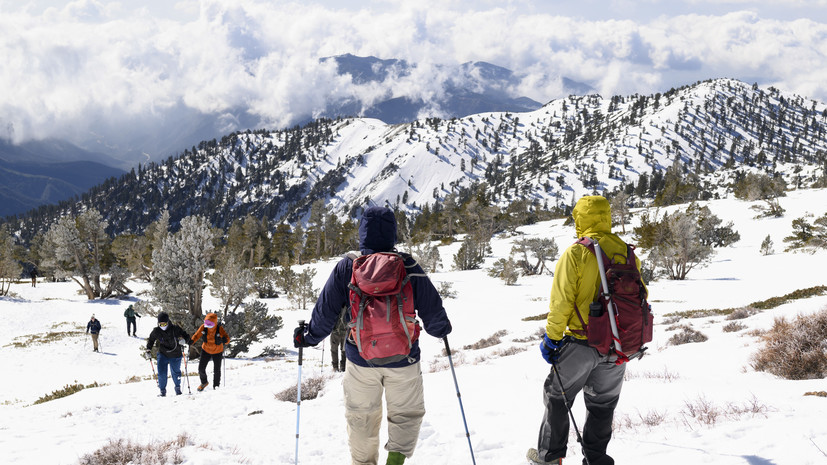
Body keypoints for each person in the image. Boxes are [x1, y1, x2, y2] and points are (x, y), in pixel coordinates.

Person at [293, 206, 452, 465]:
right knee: (406, 414)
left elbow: (326, 312)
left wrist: (308, 337)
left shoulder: (348, 266)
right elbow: (432, 309)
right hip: (405, 358)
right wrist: (441, 329)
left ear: (362, 232)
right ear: (393, 232)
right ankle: (395, 462)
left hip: (360, 360)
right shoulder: (408, 265)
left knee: (361, 418)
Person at [527, 195, 643, 465]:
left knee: (557, 395)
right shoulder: (627, 253)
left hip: (582, 342)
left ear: (580, 219)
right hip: (619, 345)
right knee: (603, 404)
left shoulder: (577, 252)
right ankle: (596, 459)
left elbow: (561, 302)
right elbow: (641, 297)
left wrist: (552, 339)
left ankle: (549, 459)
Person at [146, 312, 190, 396]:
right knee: (162, 373)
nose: (162, 326)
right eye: (160, 324)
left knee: (175, 372)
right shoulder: (156, 331)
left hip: (176, 353)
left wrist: (184, 340)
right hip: (163, 353)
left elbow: (187, 336)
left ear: (168, 322)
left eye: (164, 324)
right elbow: (151, 340)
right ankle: (162, 391)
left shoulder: (175, 329)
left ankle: (177, 389)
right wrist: (148, 349)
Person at [190, 312, 229, 391]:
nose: (207, 325)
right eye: (206, 323)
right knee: (201, 368)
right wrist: (191, 341)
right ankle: (204, 382)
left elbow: (227, 338)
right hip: (206, 350)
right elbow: (197, 335)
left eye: (210, 323)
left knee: (217, 370)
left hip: (217, 351)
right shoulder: (203, 327)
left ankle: (216, 386)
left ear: (214, 323)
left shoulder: (219, 329)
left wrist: (225, 340)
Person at [329, 307, 348, 372]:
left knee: (344, 350)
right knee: (335, 350)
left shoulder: (335, 305)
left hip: (343, 331)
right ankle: (336, 367)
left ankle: (342, 367)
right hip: (336, 331)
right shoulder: (336, 305)